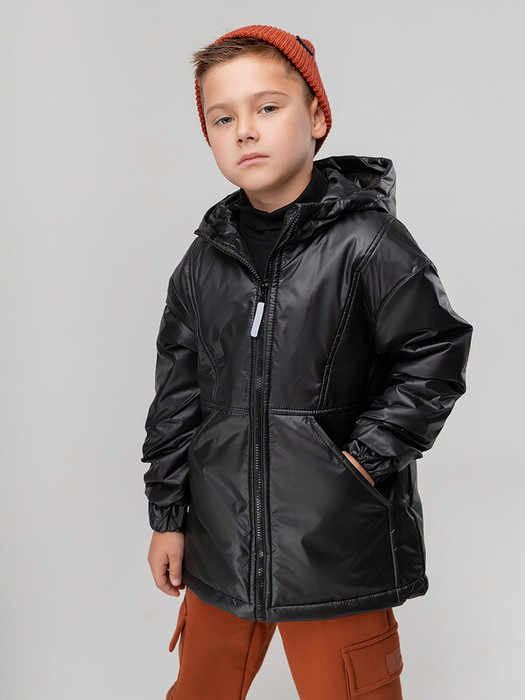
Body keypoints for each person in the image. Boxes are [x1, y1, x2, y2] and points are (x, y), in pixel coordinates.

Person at [140, 24, 473, 700]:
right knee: (199, 688)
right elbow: (177, 396)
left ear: (316, 117)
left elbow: (433, 353)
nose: (245, 130)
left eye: (267, 107)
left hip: (333, 545)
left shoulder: (369, 242)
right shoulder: (202, 263)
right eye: (223, 118)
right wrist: (168, 517)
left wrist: (360, 463)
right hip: (219, 543)